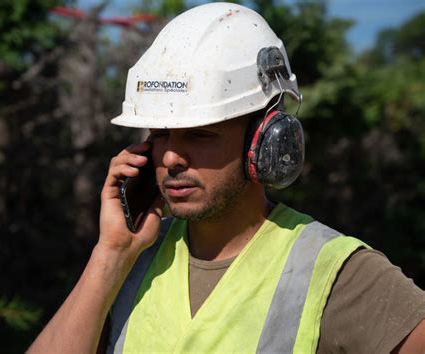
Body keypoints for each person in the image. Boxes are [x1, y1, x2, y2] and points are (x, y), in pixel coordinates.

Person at [28, 3, 425, 353]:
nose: (170, 156)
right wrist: (111, 254)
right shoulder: (128, 262)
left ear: (267, 139)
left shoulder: (337, 273)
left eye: (201, 135)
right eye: (160, 133)